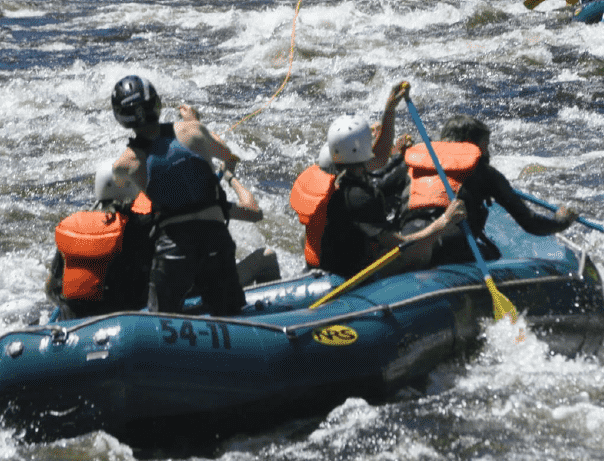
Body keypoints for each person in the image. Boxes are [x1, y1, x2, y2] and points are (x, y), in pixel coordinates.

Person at [110, 75, 260, 315]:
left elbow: (118, 187)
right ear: (156, 104)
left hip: (174, 248)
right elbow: (227, 154)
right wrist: (194, 121)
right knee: (231, 314)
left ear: (121, 119)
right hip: (215, 239)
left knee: (160, 319)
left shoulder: (125, 163)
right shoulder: (194, 131)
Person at [292, 82, 466, 280]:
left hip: (333, 256)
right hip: (351, 273)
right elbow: (401, 243)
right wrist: (443, 222)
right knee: (422, 252)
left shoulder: (335, 170)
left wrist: (390, 109)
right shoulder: (359, 197)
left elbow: (380, 156)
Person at [419, 114, 576, 265]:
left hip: (412, 244)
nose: (488, 153)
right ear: (470, 145)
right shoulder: (484, 173)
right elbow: (530, 223)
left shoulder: (415, 164)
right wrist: (562, 221)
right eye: (485, 146)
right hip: (448, 251)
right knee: (492, 254)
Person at [45, 160, 158, 320]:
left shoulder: (74, 226)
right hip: (122, 319)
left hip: (74, 320)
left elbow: (51, 287)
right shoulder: (139, 227)